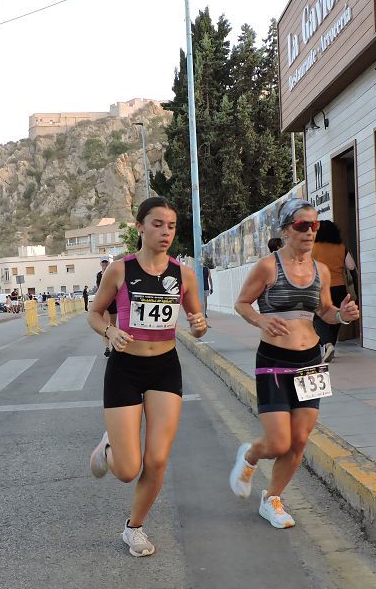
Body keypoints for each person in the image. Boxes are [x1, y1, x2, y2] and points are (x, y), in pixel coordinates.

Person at [228, 198, 360, 529]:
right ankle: (250, 456)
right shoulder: (268, 267)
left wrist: (341, 316)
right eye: (302, 225)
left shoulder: (321, 270)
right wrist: (260, 321)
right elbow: (242, 304)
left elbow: (325, 311)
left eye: (314, 225)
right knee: (278, 443)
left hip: (310, 360)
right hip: (273, 359)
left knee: (300, 440)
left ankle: (272, 498)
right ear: (287, 230)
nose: (310, 232)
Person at [87, 197, 208, 557]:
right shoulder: (120, 271)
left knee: (157, 460)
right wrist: (109, 332)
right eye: (157, 224)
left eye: (171, 226)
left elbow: (197, 321)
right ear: (140, 227)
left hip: (164, 369)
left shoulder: (183, 274)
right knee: (127, 470)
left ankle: (134, 528)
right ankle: (111, 446)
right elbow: (95, 314)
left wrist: (199, 326)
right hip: (125, 368)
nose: (165, 232)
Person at [311, 220, 357, 362]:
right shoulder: (341, 247)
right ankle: (330, 346)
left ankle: (327, 344)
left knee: (319, 318)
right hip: (339, 288)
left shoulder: (312, 247)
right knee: (337, 316)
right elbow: (351, 266)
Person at [95, 257, 118, 357]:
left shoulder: (114, 273)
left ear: (109, 263)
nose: (104, 264)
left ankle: (114, 347)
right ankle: (107, 348)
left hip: (113, 301)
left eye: (106, 262)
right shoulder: (99, 275)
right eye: (103, 262)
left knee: (113, 324)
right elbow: (98, 287)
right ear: (100, 263)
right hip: (104, 302)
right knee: (105, 325)